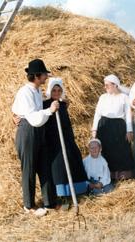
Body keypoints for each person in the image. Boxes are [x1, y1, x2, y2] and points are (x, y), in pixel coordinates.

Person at [12, 59, 59, 216]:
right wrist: (50, 110)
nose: (46, 77)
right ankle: (29, 205)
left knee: (44, 166)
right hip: (28, 131)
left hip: (39, 131)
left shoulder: (37, 91)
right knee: (29, 169)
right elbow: (32, 117)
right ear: (37, 76)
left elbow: (29, 109)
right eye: (44, 74)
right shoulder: (25, 92)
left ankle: (49, 202)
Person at [43, 78, 87, 199]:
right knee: (58, 167)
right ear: (50, 91)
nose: (56, 93)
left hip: (66, 139)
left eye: (59, 90)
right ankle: (61, 194)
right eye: (54, 90)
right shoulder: (45, 104)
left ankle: (76, 191)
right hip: (53, 141)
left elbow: (67, 124)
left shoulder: (63, 105)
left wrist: (70, 140)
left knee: (73, 161)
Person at [92, 74, 134, 181]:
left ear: (115, 85)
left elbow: (128, 114)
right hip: (104, 126)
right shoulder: (103, 97)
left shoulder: (124, 97)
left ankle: (121, 175)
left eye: (108, 85)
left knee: (120, 150)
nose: (105, 87)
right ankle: (109, 176)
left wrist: (129, 130)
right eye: (105, 85)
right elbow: (97, 114)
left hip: (119, 126)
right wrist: (94, 129)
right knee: (107, 150)